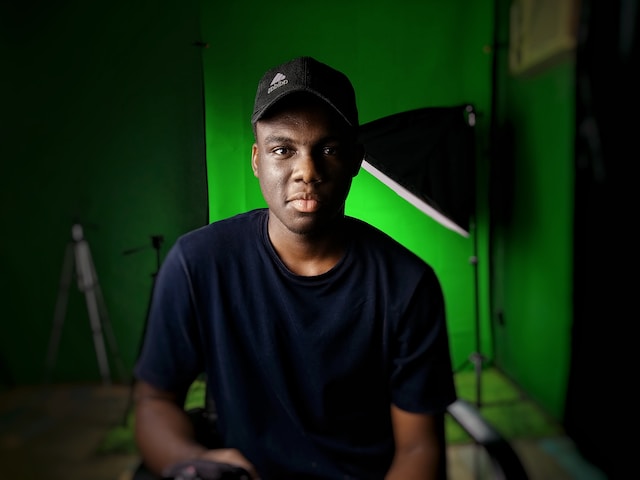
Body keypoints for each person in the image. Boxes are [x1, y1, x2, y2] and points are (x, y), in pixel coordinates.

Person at [133, 56, 457, 480]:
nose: (307, 170)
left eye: (329, 149)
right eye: (283, 150)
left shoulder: (407, 286)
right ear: (256, 160)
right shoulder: (198, 264)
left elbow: (418, 446)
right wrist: (191, 461)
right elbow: (155, 400)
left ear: (357, 160)